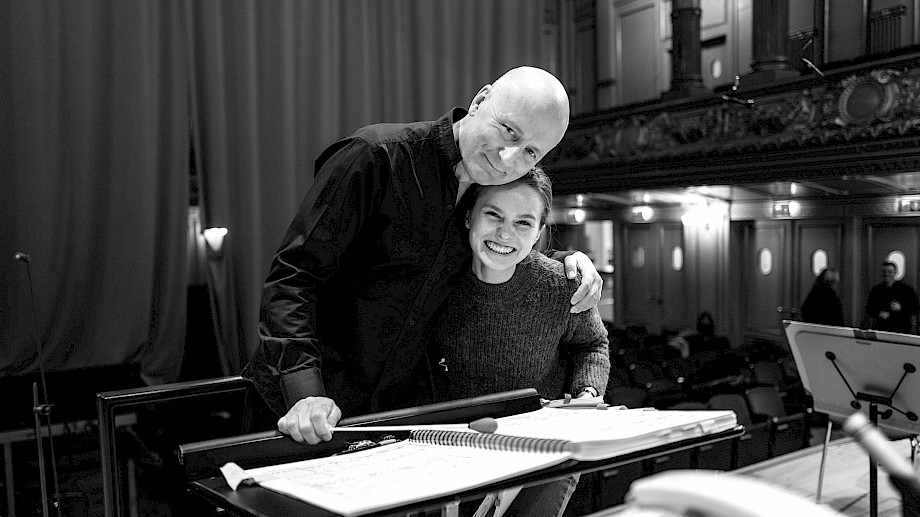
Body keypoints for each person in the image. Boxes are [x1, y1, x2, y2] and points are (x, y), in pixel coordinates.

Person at [243, 66, 604, 444]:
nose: (507, 158)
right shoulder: (376, 156)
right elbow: (294, 277)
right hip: (299, 407)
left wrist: (569, 259)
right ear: (480, 100)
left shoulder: (486, 193)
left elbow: (504, 245)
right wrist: (305, 392)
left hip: (388, 415)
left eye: (530, 151)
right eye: (508, 130)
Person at [431, 167, 610, 517]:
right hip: (456, 449)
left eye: (523, 222)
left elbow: (591, 345)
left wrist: (588, 394)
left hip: (544, 451)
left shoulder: (561, 285)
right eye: (493, 214)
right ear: (468, 217)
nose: (505, 233)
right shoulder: (437, 286)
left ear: (539, 232)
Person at [864, 261, 920, 334]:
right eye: (884, 272)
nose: (887, 274)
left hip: (901, 329)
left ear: (895, 272)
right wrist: (879, 314)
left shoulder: (906, 289)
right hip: (881, 328)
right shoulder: (876, 289)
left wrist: (901, 308)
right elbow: (869, 309)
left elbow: (915, 308)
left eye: (890, 272)